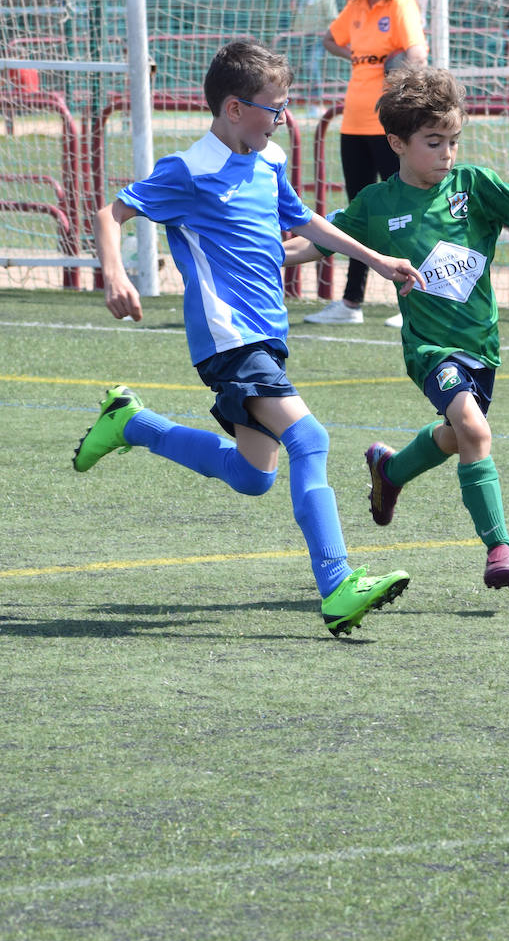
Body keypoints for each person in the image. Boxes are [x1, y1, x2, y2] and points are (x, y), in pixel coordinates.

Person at [79, 38, 423, 638]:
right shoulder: (188, 170)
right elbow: (113, 214)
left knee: (253, 474)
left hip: (266, 335)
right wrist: (115, 275)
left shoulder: (269, 162)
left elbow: (305, 221)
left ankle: (131, 423)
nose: (283, 118)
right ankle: (338, 584)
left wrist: (379, 260)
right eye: (275, 107)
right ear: (234, 108)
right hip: (229, 339)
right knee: (309, 438)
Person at [283, 66, 509, 589]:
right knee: (473, 430)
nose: (447, 153)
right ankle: (500, 547)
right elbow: (316, 242)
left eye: (453, 141)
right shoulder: (376, 204)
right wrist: (264, 256)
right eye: (434, 142)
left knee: (456, 436)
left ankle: (390, 472)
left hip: (481, 348)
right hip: (429, 349)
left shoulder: (473, 186)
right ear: (397, 143)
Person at [304, 0, 427, 327]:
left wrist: (397, 72)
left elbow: (418, 54)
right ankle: (351, 302)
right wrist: (361, 56)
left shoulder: (400, 2)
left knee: (404, 210)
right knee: (359, 212)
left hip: (388, 124)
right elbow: (331, 39)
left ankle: (419, 298)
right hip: (353, 122)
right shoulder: (356, 4)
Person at [291, 0, 340, 115]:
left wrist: (327, 36)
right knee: (307, 70)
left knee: (311, 67)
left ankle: (317, 104)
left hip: (318, 38)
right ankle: (313, 104)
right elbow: (297, 18)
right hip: (303, 38)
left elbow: (333, 19)